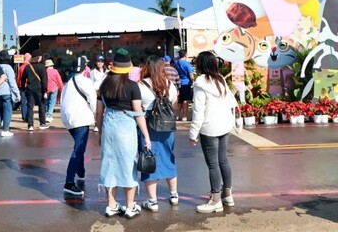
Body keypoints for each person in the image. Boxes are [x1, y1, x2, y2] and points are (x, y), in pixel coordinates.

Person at [96, 49, 151, 219]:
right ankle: (129, 206)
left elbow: (98, 113)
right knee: (128, 164)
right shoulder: (132, 86)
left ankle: (111, 206)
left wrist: (100, 133)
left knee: (109, 164)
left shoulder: (104, 85)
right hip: (126, 126)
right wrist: (147, 137)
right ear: (128, 67)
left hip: (108, 125)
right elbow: (138, 112)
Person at [189, 51, 235, 213]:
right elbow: (229, 101)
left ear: (201, 65)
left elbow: (198, 111)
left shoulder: (201, 83)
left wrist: (193, 133)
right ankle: (227, 195)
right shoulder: (220, 79)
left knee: (213, 164)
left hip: (210, 128)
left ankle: (215, 199)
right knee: (223, 160)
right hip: (224, 125)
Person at [138, 55, 180, 212]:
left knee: (149, 161)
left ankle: (152, 201)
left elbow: (137, 107)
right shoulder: (169, 84)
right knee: (169, 158)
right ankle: (174, 195)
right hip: (167, 128)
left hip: (149, 128)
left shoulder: (141, 85)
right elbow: (174, 104)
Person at [60, 56, 97, 197]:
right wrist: (97, 117)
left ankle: (80, 172)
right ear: (85, 68)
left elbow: (63, 103)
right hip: (81, 120)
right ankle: (69, 182)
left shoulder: (68, 84)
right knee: (78, 150)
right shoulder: (86, 82)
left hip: (69, 121)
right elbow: (93, 101)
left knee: (79, 148)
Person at [20, 54, 49, 131]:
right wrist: (45, 91)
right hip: (40, 89)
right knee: (42, 105)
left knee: (30, 107)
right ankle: (42, 123)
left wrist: (23, 89)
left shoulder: (27, 67)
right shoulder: (42, 67)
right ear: (39, 57)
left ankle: (30, 125)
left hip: (29, 89)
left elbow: (23, 79)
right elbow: (44, 80)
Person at [0, 53, 20, 137]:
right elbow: (12, 82)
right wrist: (17, 93)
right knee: (7, 111)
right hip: (6, 91)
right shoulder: (8, 68)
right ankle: (5, 129)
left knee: (0, 110)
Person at [174, 49, 195, 121]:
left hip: (179, 83)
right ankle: (184, 116)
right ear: (185, 55)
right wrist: (193, 80)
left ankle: (177, 115)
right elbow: (191, 75)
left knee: (180, 100)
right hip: (186, 83)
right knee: (185, 100)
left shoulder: (176, 63)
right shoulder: (187, 64)